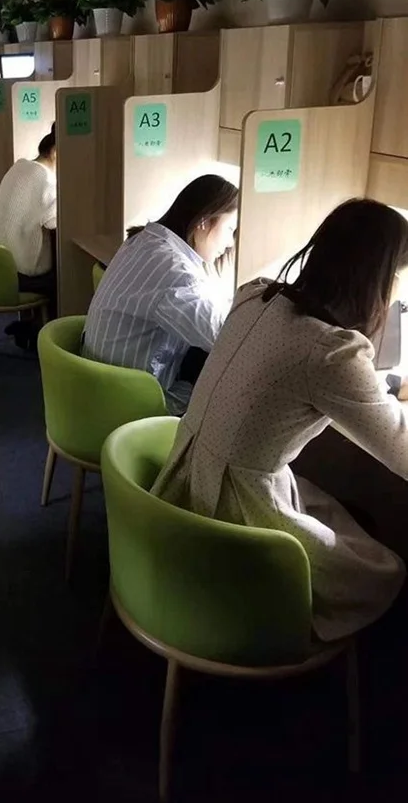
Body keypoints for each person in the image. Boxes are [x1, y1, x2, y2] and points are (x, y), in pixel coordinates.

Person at [152, 199, 408, 641]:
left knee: (328, 505)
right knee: (385, 569)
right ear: (378, 280)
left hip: (183, 487)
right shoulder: (332, 352)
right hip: (237, 517)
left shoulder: (255, 294)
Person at [83, 175, 238, 414]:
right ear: (204, 222)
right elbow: (223, 336)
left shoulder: (144, 240)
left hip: (93, 381)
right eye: (230, 229)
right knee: (229, 371)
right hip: (125, 399)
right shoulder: (175, 271)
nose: (229, 242)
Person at [0, 127, 57, 308]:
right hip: (18, 276)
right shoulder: (44, 178)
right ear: (55, 153)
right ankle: (38, 330)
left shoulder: (20, 165)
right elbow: (55, 222)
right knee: (68, 279)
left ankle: (29, 327)